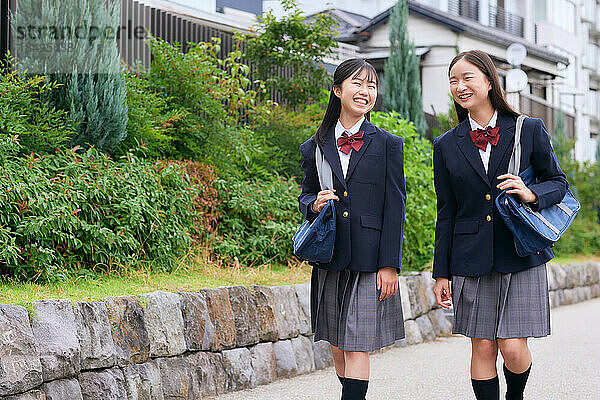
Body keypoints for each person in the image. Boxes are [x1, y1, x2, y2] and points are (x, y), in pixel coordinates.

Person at [432, 50, 568, 400]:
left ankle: (515, 395)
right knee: (482, 346)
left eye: (467, 78)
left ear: (490, 82)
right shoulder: (446, 145)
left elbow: (558, 182)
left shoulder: (528, 129)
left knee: (513, 347)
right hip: (469, 256)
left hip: (520, 252)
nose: (459, 86)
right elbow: (446, 211)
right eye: (453, 80)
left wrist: (530, 192)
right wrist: (441, 273)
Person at [298, 58, 406, 400]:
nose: (366, 91)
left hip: (369, 259)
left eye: (372, 86)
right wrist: (313, 203)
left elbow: (396, 206)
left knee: (357, 344)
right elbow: (305, 195)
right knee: (337, 345)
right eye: (358, 83)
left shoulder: (388, 144)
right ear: (337, 90)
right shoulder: (314, 146)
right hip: (331, 256)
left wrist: (390, 265)